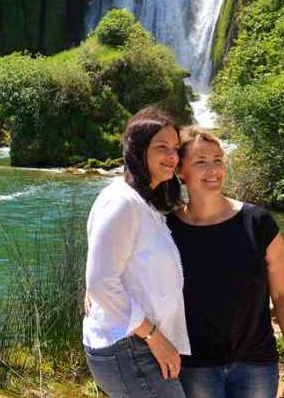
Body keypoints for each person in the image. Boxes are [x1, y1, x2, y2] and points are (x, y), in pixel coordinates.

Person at [167, 126, 284, 398]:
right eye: (200, 162)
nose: (213, 170)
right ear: (180, 171)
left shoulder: (258, 222)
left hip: (256, 364)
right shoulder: (167, 229)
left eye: (217, 160)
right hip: (194, 366)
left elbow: (283, 295)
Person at [84, 106, 190, 397]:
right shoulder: (122, 202)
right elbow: (100, 282)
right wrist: (154, 337)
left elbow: (104, 268)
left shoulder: (141, 202)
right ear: (139, 151)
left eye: (176, 148)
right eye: (162, 147)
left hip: (135, 342)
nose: (172, 156)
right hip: (130, 346)